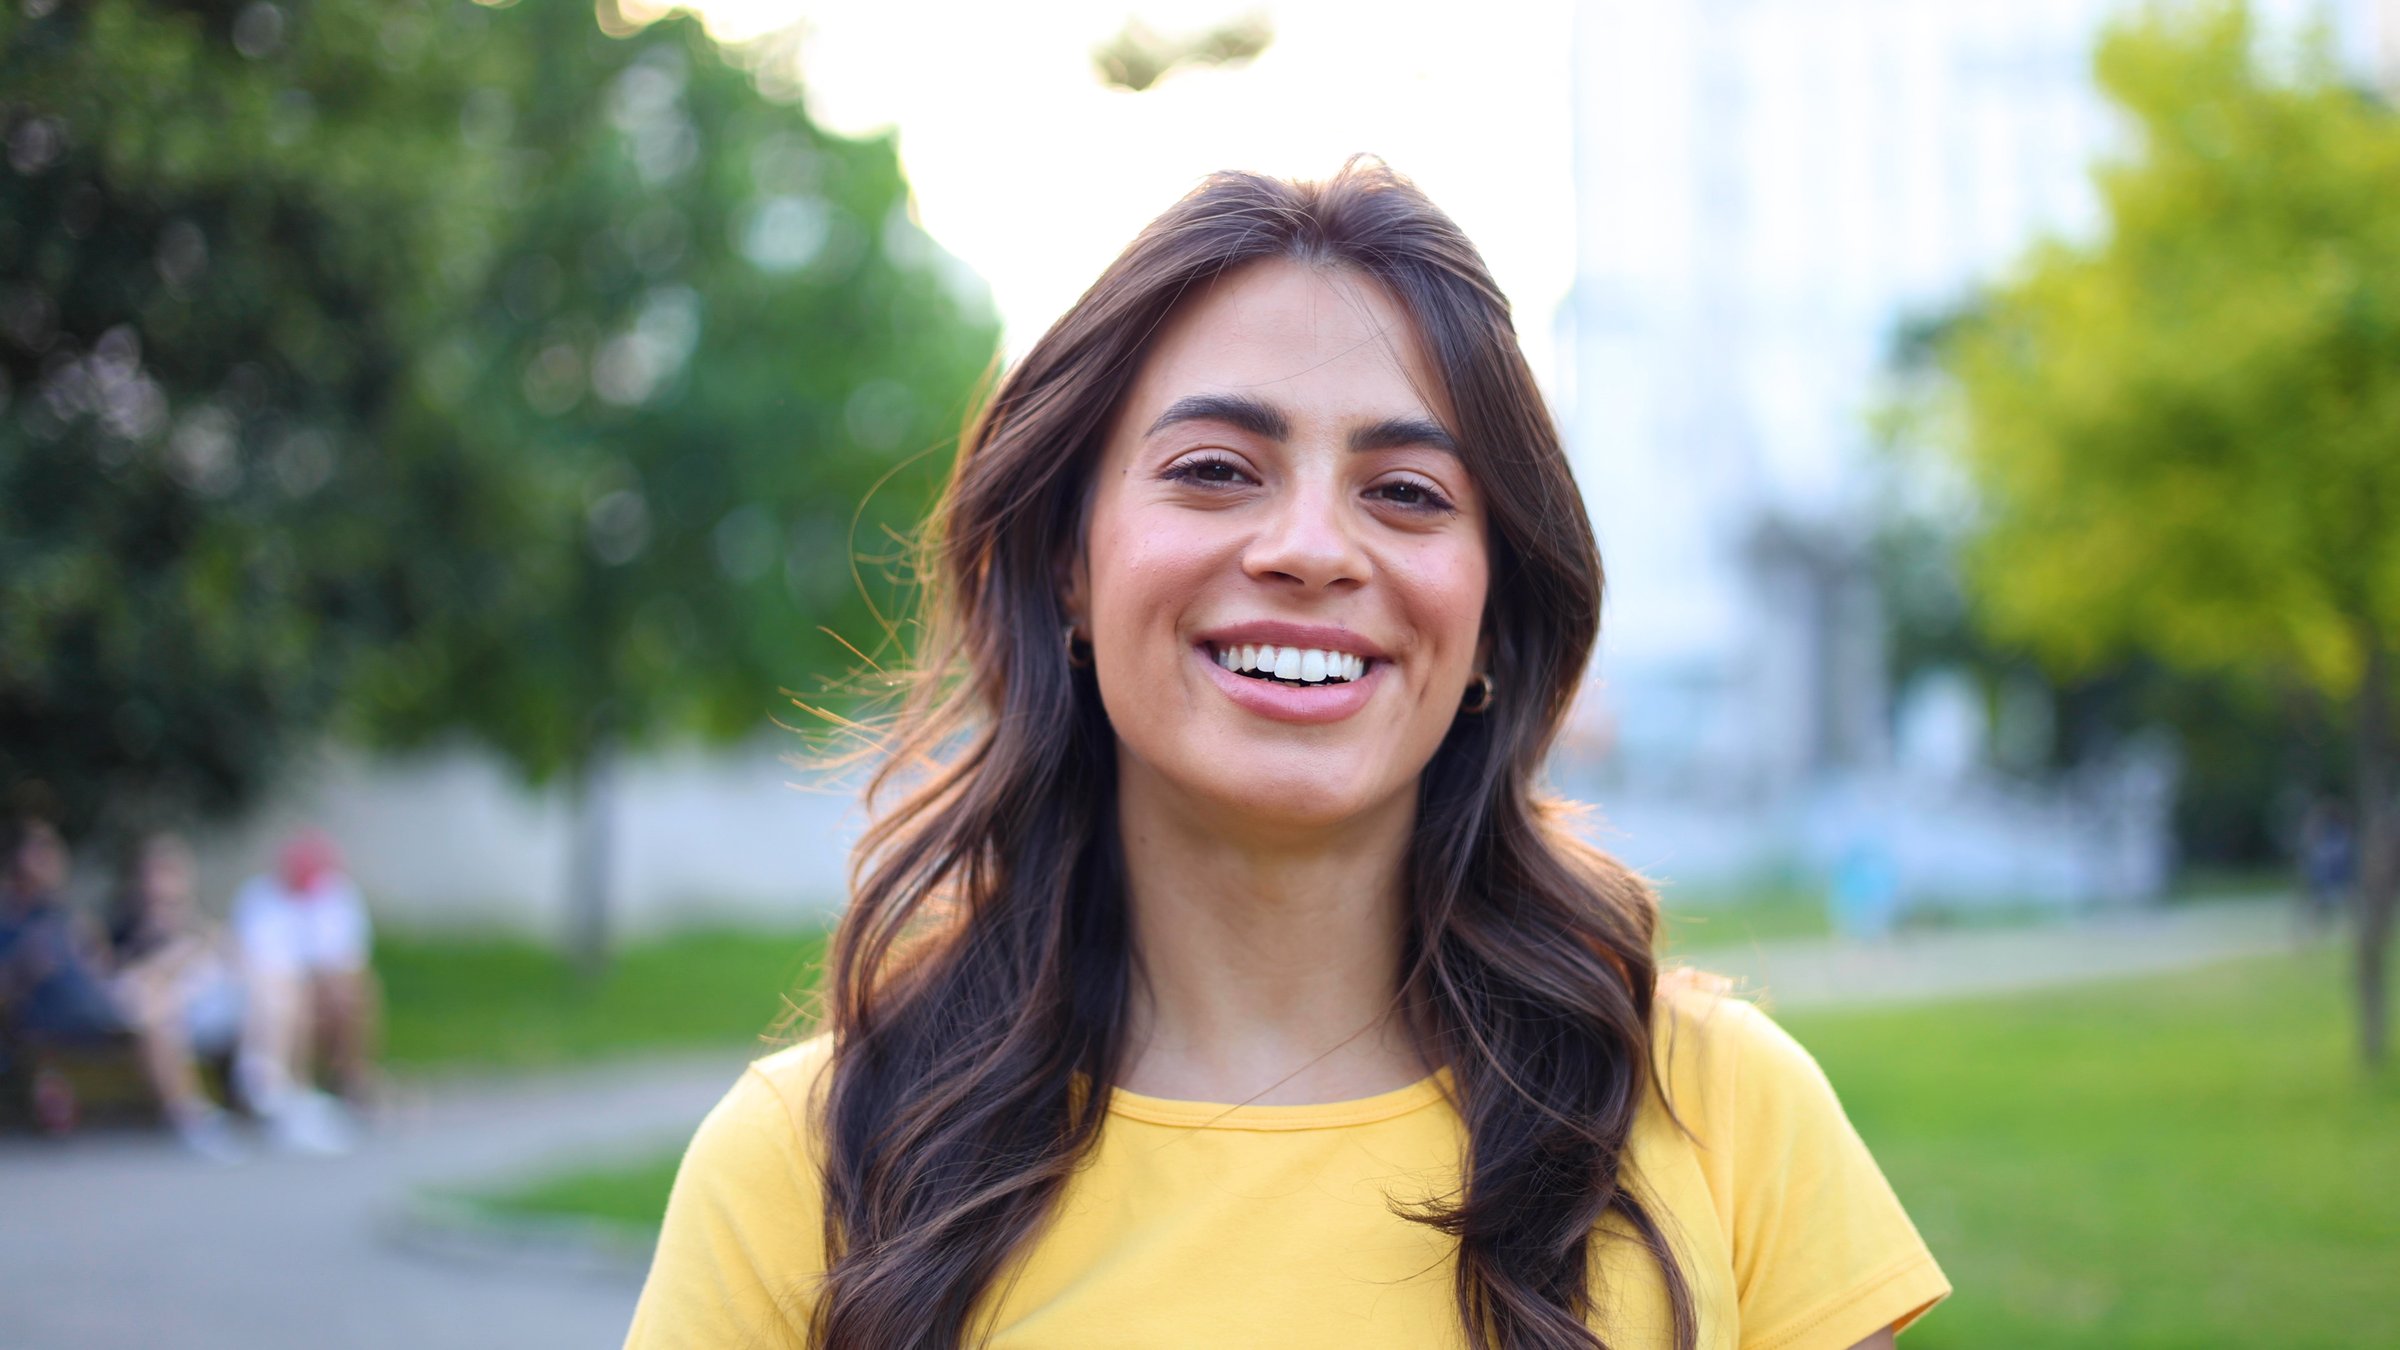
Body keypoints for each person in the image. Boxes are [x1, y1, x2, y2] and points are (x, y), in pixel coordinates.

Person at [627, 159, 1951, 1349]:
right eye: (1214, 469)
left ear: (1494, 614)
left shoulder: (1726, 1112)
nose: (1312, 545)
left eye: (1407, 493)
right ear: (1068, 569)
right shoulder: (803, 1164)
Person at [0, 816, 238, 1159]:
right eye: (40, 849)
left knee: (155, 1001)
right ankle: (193, 1118)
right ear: (17, 859)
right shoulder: (12, 921)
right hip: (62, 1018)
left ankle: (198, 1114)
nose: (53, 857)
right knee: (154, 1011)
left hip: (99, 1003)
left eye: (52, 847)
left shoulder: (61, 915)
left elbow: (101, 964)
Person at [230, 827, 380, 1152]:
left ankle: (348, 1085)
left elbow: (343, 959)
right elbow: (262, 960)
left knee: (354, 994)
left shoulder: (337, 895)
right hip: (273, 987)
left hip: (319, 986)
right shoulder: (260, 898)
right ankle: (292, 1092)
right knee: (288, 1001)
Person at [107, 830, 247, 1160]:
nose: (162, 883)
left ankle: (269, 1092)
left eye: (171, 872)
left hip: (213, 1011)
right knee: (154, 1009)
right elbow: (121, 981)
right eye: (154, 873)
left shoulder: (202, 924)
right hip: (164, 1016)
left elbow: (235, 963)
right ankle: (194, 1117)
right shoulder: (125, 928)